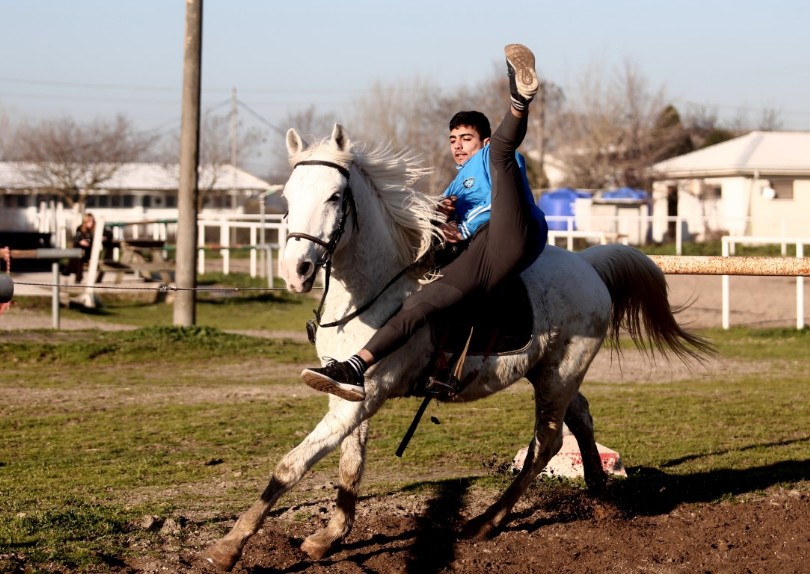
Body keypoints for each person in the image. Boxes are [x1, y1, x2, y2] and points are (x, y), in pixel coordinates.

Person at [302, 43, 549, 401]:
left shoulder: (490, 158)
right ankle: (355, 368)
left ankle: (520, 98)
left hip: (513, 230)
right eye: (453, 140)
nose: (459, 146)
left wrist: (460, 220)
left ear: (482, 139)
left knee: (502, 155)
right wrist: (442, 221)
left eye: (466, 138)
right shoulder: (454, 184)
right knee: (419, 303)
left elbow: (496, 172)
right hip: (483, 249)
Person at [68, 213, 110, 283]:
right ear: (85, 222)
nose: (90, 223)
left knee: (79, 253)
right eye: (88, 221)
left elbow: (109, 234)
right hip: (83, 251)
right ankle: (77, 276)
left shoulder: (98, 228)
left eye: (91, 221)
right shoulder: (80, 228)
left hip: (92, 252)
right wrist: (81, 242)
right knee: (79, 251)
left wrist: (104, 238)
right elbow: (77, 239)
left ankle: (69, 270)